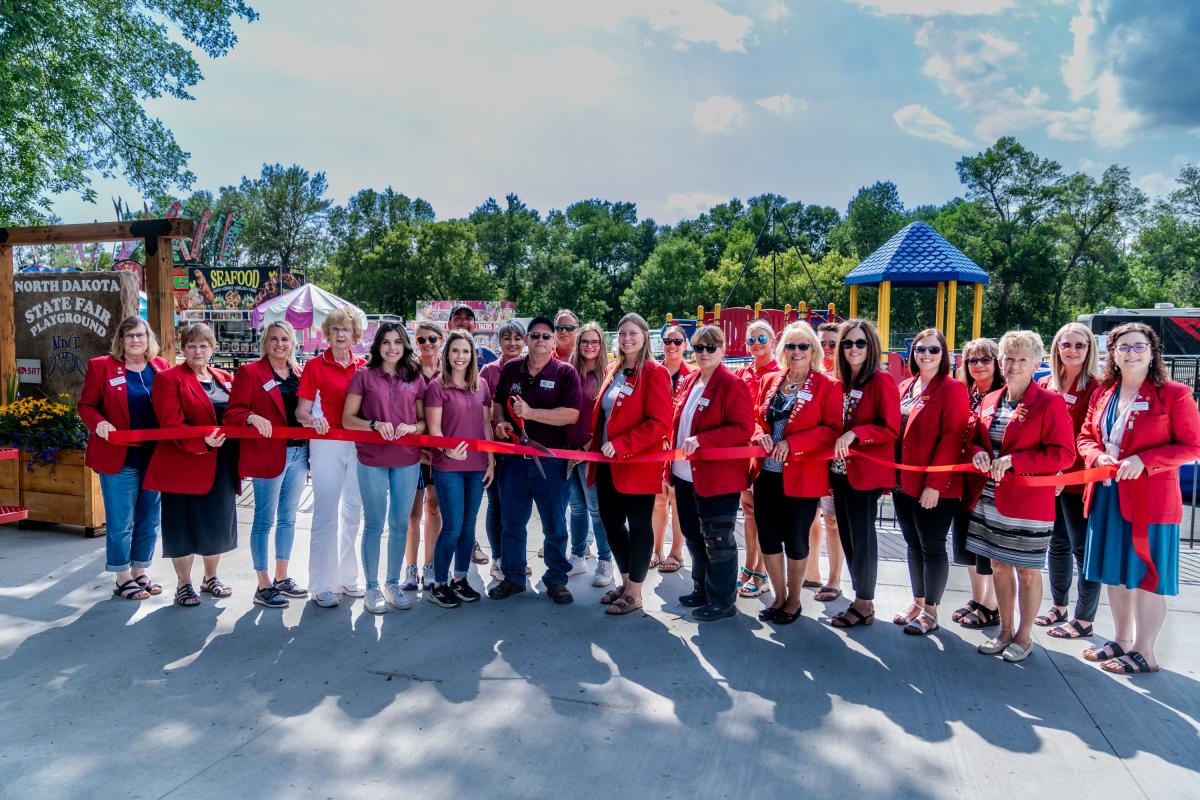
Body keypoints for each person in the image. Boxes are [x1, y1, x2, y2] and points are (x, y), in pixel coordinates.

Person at [1078, 323, 1200, 674]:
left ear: (1152, 351)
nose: (1130, 352)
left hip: (1150, 502)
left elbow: (1191, 446)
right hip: (1107, 496)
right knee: (1115, 575)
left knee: (1146, 577)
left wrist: (1144, 461)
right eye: (1123, 347)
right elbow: (1086, 436)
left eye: (1138, 346)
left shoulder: (1174, 394)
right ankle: (1122, 640)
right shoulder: (1104, 393)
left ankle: (1145, 652)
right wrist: (1096, 456)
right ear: (1112, 354)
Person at [966, 330, 1075, 663]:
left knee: (1027, 571)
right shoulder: (989, 399)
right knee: (998, 565)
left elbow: (1064, 455)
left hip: (1029, 503)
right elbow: (973, 439)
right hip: (991, 498)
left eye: (1021, 359)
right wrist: (977, 453)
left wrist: (1017, 461)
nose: (1012, 365)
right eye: (1007, 358)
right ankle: (1004, 630)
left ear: (1037, 363)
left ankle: (1024, 637)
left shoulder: (1050, 402)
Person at [751, 322, 842, 625]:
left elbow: (831, 430)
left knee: (796, 539)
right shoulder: (770, 380)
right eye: (791, 346)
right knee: (768, 538)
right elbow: (755, 420)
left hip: (802, 477)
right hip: (767, 475)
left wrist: (793, 443)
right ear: (783, 350)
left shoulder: (827, 385)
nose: (797, 352)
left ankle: (793, 600)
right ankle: (778, 597)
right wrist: (759, 435)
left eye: (803, 346)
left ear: (813, 350)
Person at [489, 316, 582, 604]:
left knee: (554, 525)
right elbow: (497, 404)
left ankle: (556, 579)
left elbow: (571, 414)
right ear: (527, 340)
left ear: (554, 342)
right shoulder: (511, 369)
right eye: (535, 335)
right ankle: (514, 577)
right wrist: (500, 424)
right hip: (515, 460)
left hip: (551, 460)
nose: (540, 340)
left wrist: (532, 414)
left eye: (546, 336)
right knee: (511, 522)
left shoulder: (566, 373)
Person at [144, 323, 238, 607]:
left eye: (204, 345)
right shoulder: (169, 379)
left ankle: (210, 578)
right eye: (192, 346)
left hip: (220, 464)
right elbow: (171, 424)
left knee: (217, 522)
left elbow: (234, 413)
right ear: (183, 349)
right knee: (182, 526)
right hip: (182, 463)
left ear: (213, 348)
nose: (198, 351)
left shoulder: (224, 377)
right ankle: (184, 584)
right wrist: (203, 443)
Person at [78, 317, 171, 601]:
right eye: (128, 335)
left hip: (154, 457)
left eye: (140, 335)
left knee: (149, 519)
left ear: (148, 338)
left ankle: (140, 570)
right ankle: (121, 576)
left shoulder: (161, 367)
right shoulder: (101, 366)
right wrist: (99, 423)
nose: (134, 340)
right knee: (121, 522)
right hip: (119, 458)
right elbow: (86, 406)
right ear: (121, 339)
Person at [342, 322, 427, 614]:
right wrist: (374, 425)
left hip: (407, 458)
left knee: (400, 523)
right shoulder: (363, 376)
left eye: (398, 342)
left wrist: (412, 426)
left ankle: (392, 584)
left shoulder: (415, 377)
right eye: (386, 342)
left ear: (405, 345)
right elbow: (347, 419)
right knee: (375, 524)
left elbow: (424, 422)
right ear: (378, 345)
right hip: (372, 458)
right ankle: (372, 588)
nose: (392, 347)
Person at [671, 325, 755, 622]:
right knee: (694, 535)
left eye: (710, 347)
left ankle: (722, 599)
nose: (703, 353)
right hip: (684, 474)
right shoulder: (691, 379)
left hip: (717, 479)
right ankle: (702, 588)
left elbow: (743, 429)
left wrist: (704, 440)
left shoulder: (732, 384)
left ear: (723, 350)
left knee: (718, 539)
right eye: (698, 348)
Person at [225, 321, 311, 609]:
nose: (279, 344)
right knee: (264, 519)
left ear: (293, 343)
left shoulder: (300, 373)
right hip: (267, 455)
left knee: (289, 518)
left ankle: (282, 577)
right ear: (265, 342)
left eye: (285, 339)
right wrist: (250, 417)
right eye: (273, 339)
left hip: (299, 454)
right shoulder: (250, 373)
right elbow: (232, 413)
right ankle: (263, 583)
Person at [591, 313, 672, 616]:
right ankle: (626, 583)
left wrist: (623, 445)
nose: (626, 338)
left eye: (633, 333)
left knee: (638, 526)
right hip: (606, 464)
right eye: (622, 333)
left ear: (644, 336)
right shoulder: (614, 369)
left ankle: (636, 592)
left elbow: (660, 422)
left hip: (635, 464)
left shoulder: (654, 371)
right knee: (611, 524)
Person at [891, 329, 969, 636]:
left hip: (934, 487)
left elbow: (953, 438)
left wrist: (934, 484)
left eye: (933, 350)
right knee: (912, 544)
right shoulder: (906, 386)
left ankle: (931, 611)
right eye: (920, 348)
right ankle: (918, 601)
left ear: (943, 354)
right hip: (903, 482)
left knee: (932, 546)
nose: (926, 354)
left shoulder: (952, 389)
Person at [828, 319, 899, 629]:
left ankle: (864, 602)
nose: (853, 349)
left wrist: (857, 433)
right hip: (840, 472)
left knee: (862, 538)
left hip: (865, 474)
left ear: (871, 347)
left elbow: (890, 429)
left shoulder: (880, 381)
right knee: (848, 537)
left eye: (860, 343)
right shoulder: (840, 382)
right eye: (847, 343)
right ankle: (859, 597)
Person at [1035, 322, 1103, 640]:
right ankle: (1059, 606)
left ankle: (1084, 618)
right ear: (1057, 347)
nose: (1072, 350)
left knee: (1081, 548)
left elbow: (1090, 435)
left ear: (1089, 349)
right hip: (1050, 479)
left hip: (1078, 480)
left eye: (1080, 345)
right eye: (1066, 344)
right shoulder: (1047, 384)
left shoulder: (1097, 386)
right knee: (1057, 545)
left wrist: (1066, 471)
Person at [297, 309, 366, 608]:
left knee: (353, 512)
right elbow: (302, 411)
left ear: (355, 335)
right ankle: (321, 583)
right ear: (328, 332)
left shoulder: (364, 367)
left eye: (346, 330)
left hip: (359, 446)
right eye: (335, 329)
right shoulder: (315, 365)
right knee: (325, 512)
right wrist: (312, 421)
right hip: (326, 445)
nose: (340, 334)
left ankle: (347, 577)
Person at [425, 330, 494, 608]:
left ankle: (460, 579)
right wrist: (446, 449)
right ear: (447, 354)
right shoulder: (437, 387)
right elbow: (434, 428)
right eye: (455, 351)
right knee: (452, 527)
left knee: (468, 526)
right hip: (448, 466)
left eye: (465, 351)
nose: (460, 357)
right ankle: (439, 584)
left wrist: (491, 460)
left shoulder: (482, 385)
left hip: (477, 466)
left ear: (472, 355)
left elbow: (486, 425)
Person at [950, 337, 1001, 629]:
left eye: (985, 359)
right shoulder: (964, 393)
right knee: (968, 541)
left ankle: (991, 605)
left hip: (991, 482)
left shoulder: (1003, 395)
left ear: (996, 362)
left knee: (988, 542)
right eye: (972, 360)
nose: (978, 365)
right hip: (964, 479)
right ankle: (977, 597)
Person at [734, 319, 779, 599]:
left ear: (773, 341)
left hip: (766, 453)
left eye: (761, 339)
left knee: (764, 515)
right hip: (742, 452)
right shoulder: (742, 372)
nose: (756, 345)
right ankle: (749, 566)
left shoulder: (780, 373)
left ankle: (761, 571)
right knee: (748, 512)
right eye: (751, 340)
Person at [567, 322, 614, 587]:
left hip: (593, 452)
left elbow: (607, 418)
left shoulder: (607, 374)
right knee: (576, 508)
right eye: (584, 341)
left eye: (594, 342)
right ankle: (577, 556)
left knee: (596, 509)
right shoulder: (569, 372)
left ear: (602, 345)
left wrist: (586, 450)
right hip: (568, 451)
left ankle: (605, 560)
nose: (589, 346)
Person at [480, 320, 527, 581]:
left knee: (517, 507)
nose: (512, 343)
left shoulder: (530, 368)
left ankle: (515, 559)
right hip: (496, 450)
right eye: (506, 338)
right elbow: (483, 410)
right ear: (498, 342)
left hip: (524, 450)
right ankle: (499, 558)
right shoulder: (488, 371)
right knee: (496, 504)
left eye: (517, 338)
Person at [403, 321, 444, 592]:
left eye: (432, 339)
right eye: (421, 340)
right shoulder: (408, 372)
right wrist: (417, 448)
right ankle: (410, 568)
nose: (427, 344)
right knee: (412, 512)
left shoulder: (451, 370)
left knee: (434, 508)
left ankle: (431, 566)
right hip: (412, 451)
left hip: (441, 451)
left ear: (441, 340)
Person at [807, 321, 845, 602]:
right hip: (810, 458)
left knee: (832, 520)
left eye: (834, 343)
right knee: (809, 517)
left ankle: (834, 578)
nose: (828, 349)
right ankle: (811, 571)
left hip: (838, 461)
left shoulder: (848, 378)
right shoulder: (811, 376)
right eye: (823, 343)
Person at [652, 324, 694, 575]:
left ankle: (676, 552)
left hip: (679, 445)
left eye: (677, 341)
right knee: (657, 500)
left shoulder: (693, 374)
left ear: (685, 345)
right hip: (656, 445)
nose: (672, 345)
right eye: (668, 340)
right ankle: (656, 549)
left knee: (677, 500)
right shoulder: (654, 371)